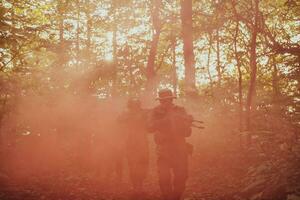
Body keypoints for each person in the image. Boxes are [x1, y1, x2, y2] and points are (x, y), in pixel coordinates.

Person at [148, 89, 193, 200]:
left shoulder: (180, 110)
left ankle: (176, 197)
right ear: (159, 101)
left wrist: (185, 123)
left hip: (180, 149)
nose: (165, 102)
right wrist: (166, 120)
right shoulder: (155, 111)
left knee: (181, 176)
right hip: (163, 149)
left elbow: (188, 133)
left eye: (168, 100)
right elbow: (149, 127)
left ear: (172, 99)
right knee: (164, 177)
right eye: (162, 100)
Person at [118, 98, 149, 195]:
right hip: (131, 143)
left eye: (137, 105)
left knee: (143, 164)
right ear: (130, 106)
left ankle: (140, 186)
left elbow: (153, 115)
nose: (135, 107)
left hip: (142, 142)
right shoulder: (126, 114)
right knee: (132, 165)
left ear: (139, 105)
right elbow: (118, 120)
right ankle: (136, 187)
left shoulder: (144, 113)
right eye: (133, 105)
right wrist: (128, 117)